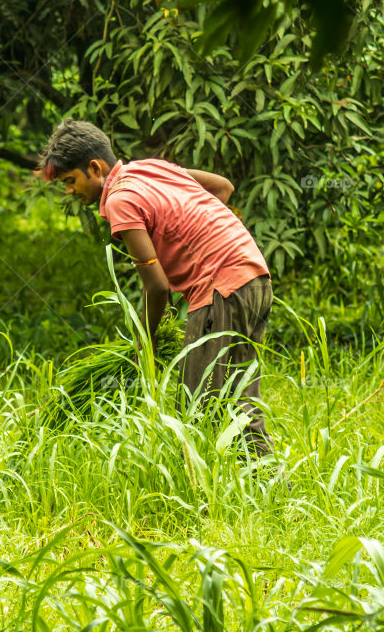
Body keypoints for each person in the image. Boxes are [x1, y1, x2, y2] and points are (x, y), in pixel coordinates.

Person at [38, 118, 274, 455]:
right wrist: (197, 235)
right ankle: (270, 492)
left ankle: (198, 502)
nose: (69, 191)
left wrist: (143, 344)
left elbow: (157, 287)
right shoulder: (150, 169)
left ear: (94, 167)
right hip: (254, 276)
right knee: (238, 398)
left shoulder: (121, 198)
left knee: (195, 411)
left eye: (71, 181)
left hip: (220, 288)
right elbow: (222, 188)